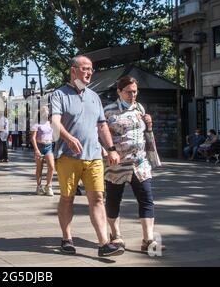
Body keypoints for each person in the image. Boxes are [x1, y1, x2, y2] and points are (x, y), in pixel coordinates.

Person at [50, 55, 124, 257]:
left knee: (98, 197)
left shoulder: (94, 96)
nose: (90, 72)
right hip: (68, 157)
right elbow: (55, 122)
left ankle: (104, 244)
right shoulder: (59, 95)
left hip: (94, 157)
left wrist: (111, 149)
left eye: (91, 69)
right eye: (85, 68)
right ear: (73, 70)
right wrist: (67, 137)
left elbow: (102, 125)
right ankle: (67, 238)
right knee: (67, 198)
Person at [103, 75, 165, 255]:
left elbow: (144, 131)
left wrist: (149, 125)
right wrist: (108, 151)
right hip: (117, 165)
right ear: (119, 91)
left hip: (140, 163)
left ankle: (149, 239)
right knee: (114, 199)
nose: (132, 95)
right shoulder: (108, 111)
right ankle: (116, 236)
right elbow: (99, 134)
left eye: (135, 92)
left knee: (146, 198)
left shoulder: (139, 107)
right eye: (129, 92)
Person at [30, 105, 54, 196]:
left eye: (47, 110)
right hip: (40, 146)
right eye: (44, 110)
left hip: (49, 146)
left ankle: (48, 186)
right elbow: (33, 138)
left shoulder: (50, 123)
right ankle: (39, 186)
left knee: (51, 167)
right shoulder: (36, 123)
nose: (46, 112)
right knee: (39, 168)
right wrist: (36, 150)